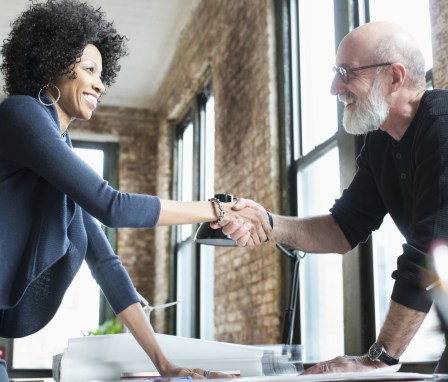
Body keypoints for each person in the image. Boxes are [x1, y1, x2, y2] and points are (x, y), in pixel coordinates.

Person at [0, 1, 270, 381]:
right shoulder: (21, 113)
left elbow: (105, 264)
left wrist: (166, 365)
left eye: (102, 73)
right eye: (89, 69)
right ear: (52, 64)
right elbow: (112, 207)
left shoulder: (57, 155)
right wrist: (218, 209)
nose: (100, 83)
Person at [230, 20, 448, 373]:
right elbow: (342, 227)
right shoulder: (380, 144)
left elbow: (431, 249)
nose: (335, 87)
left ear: (395, 77)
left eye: (346, 72)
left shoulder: (443, 122)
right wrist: (268, 222)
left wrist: (378, 360)